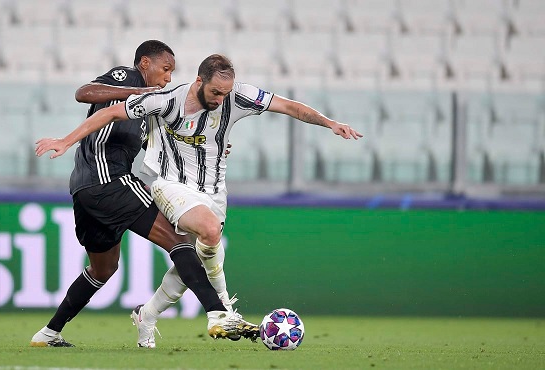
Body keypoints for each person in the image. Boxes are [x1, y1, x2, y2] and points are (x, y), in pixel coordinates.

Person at [34, 53, 363, 348]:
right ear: (199, 81)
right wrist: (65, 140)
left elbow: (290, 106)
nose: (221, 100)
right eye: (215, 92)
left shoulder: (237, 97)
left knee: (106, 269)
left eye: (225, 93)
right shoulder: (160, 97)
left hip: (208, 191)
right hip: (155, 184)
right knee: (188, 240)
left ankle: (66, 330)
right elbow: (104, 110)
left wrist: (330, 123)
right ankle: (221, 312)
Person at [30, 43, 257, 349]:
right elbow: (84, 92)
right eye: (165, 70)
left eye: (172, 73)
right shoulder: (129, 79)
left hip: (86, 190)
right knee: (179, 242)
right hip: (107, 179)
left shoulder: (151, 109)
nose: (167, 79)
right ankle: (218, 312)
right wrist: (134, 95)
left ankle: (48, 333)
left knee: (103, 269)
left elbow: (175, 137)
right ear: (145, 63)